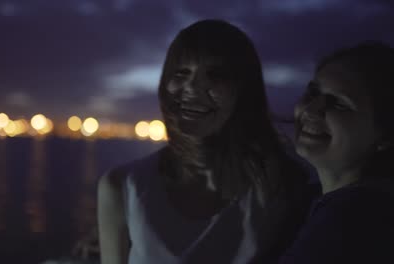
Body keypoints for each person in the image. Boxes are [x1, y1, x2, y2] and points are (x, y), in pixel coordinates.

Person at [98, 19, 311, 264]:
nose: (192, 88)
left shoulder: (281, 187)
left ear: (244, 90)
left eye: (215, 75)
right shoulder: (123, 188)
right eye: (181, 73)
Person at [279, 42, 394, 263]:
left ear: (386, 136)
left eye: (339, 104)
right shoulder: (317, 199)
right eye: (313, 93)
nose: (311, 110)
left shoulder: (356, 219)